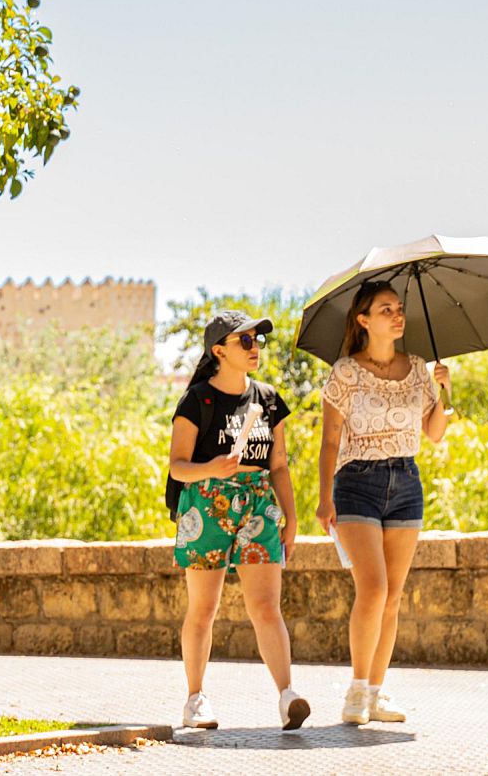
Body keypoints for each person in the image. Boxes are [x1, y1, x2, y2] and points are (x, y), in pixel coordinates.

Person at [316, 281, 451, 725]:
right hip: (357, 481)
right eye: (386, 309)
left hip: (407, 481)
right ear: (363, 320)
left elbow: (433, 434)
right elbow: (330, 441)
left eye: (399, 308)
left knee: (392, 596)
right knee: (372, 589)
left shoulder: (417, 369)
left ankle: (376, 692)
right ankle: (355, 691)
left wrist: (443, 391)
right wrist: (323, 498)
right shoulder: (345, 372)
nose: (397, 315)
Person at [169, 310, 309, 731]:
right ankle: (195, 699)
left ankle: (287, 696)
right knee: (204, 608)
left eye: (257, 341)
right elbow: (178, 466)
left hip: (258, 503)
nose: (254, 348)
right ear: (219, 351)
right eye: (244, 341)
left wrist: (291, 516)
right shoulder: (197, 401)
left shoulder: (268, 398)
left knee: (267, 606)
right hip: (206, 504)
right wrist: (212, 466)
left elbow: (279, 464)